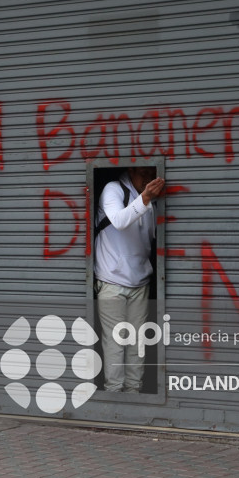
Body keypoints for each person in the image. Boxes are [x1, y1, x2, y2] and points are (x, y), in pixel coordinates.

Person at [94, 167, 164, 393]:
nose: (147, 178)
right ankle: (114, 393)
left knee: (138, 342)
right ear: (131, 171)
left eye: (150, 173)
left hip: (140, 282)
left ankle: (134, 391)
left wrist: (146, 200)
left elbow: (153, 237)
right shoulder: (113, 189)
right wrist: (145, 198)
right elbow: (118, 220)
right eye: (142, 173)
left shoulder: (149, 200)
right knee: (115, 341)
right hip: (111, 281)